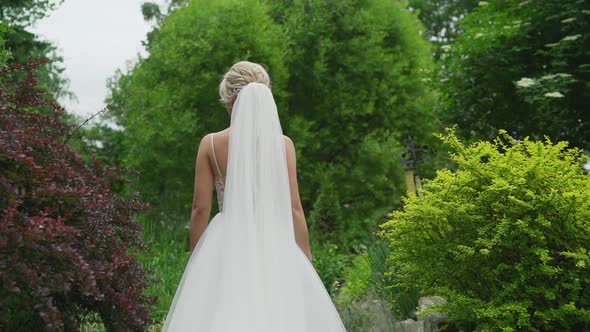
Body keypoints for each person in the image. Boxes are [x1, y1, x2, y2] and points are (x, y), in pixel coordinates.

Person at [162, 61, 346, 331]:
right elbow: (295, 208)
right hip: (274, 240)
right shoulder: (284, 146)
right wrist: (305, 256)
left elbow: (200, 210)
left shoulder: (211, 144)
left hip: (226, 241)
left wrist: (196, 258)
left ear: (230, 102)